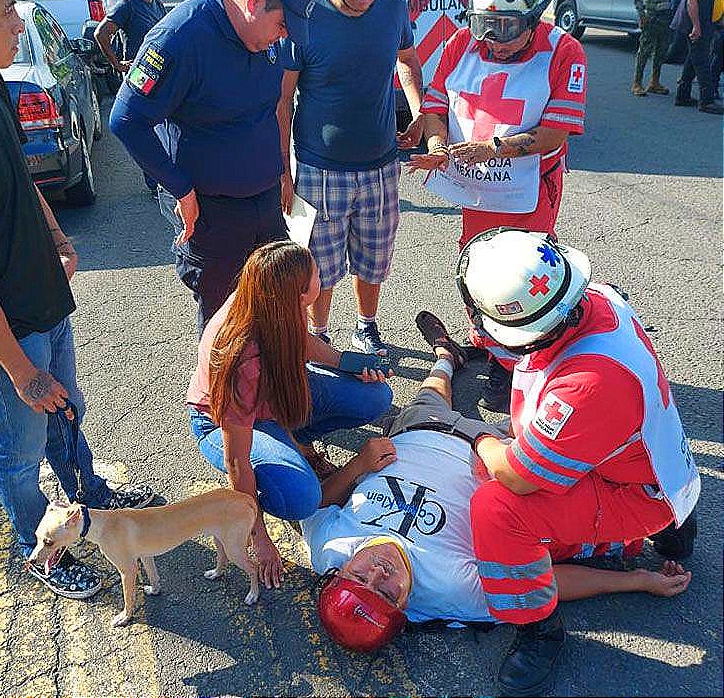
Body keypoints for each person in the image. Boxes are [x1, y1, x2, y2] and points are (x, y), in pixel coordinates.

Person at [0, 0, 153, 601]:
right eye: (6, 12)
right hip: (2, 333)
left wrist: (54, 231)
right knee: (20, 451)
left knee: (69, 413)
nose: (20, 24)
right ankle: (41, 551)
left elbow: (19, 175)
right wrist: (21, 373)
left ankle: (90, 498)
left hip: (42, 296)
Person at [305, 309, 692, 674]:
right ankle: (664, 508)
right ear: (406, 607)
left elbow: (311, 504)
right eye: (386, 593)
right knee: (559, 425)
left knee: (430, 395)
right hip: (495, 454)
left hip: (417, 430)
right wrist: (638, 581)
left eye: (359, 578)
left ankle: (446, 355)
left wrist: (356, 465)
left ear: (338, 573)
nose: (377, 572)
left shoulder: (330, 550)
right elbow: (544, 581)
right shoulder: (450, 590)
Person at [453, 228, 699, 696]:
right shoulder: (597, 300)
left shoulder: (586, 386)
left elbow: (519, 478)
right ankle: (674, 531)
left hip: (637, 492)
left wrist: (482, 440)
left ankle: (538, 628)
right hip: (659, 463)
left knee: (496, 509)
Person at [410, 0, 588, 413]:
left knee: (524, 272)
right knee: (475, 266)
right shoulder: (462, 45)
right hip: (477, 187)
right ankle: (488, 343)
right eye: (487, 24)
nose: (496, 38)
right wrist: (434, 147)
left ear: (533, 15)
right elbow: (433, 108)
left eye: (509, 26)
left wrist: (494, 149)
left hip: (528, 188)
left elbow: (555, 132)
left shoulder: (563, 51)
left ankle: (515, 364)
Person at [109, 0, 320, 337]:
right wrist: (180, 188)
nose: (284, 35)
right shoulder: (179, 37)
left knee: (282, 307)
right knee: (226, 325)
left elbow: (269, 109)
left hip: (264, 203)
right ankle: (220, 399)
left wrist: (282, 177)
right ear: (255, 1)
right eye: (282, 25)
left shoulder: (262, 33)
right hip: (212, 212)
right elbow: (126, 119)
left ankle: (277, 393)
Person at [187, 241, 393, 589]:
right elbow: (237, 458)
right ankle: (285, 456)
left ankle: (294, 442)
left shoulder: (271, 295)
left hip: (273, 396)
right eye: (315, 273)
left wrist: (349, 364)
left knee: (376, 396)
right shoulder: (242, 357)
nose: (321, 275)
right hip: (221, 423)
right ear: (300, 292)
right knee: (303, 499)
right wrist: (257, 535)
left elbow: (301, 340)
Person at [277, 0, 424, 355]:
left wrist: (417, 109)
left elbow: (408, 60)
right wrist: (283, 174)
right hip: (321, 169)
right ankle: (319, 335)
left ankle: (367, 325)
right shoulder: (306, 17)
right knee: (318, 267)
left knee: (374, 259)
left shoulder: (394, 7)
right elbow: (282, 102)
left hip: (381, 164)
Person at [94, 0, 167, 196]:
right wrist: (117, 64)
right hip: (139, 80)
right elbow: (101, 34)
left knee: (161, 129)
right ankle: (154, 182)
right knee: (143, 130)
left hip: (160, 77)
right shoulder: (128, 3)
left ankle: (161, 177)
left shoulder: (156, 3)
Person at [675, 0, 724, 114]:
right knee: (702, 62)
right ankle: (707, 101)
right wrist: (696, 26)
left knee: (692, 59)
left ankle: (682, 95)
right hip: (698, 26)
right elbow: (691, 2)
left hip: (708, 25)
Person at [631, 0, 685, 96]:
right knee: (645, 50)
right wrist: (642, 15)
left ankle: (654, 82)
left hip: (668, 17)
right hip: (652, 17)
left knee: (661, 51)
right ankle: (637, 82)